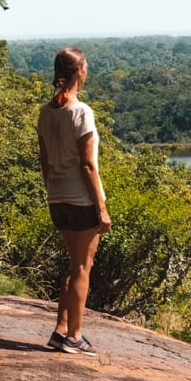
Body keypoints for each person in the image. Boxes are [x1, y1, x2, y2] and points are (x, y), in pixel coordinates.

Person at [37, 47, 112, 356]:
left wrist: (53, 191)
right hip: (82, 200)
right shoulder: (81, 111)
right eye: (86, 66)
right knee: (83, 266)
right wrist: (102, 209)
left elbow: (44, 160)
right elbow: (87, 165)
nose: (88, 70)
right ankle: (75, 337)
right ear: (78, 72)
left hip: (58, 198)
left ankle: (61, 330)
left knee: (74, 265)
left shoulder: (46, 111)